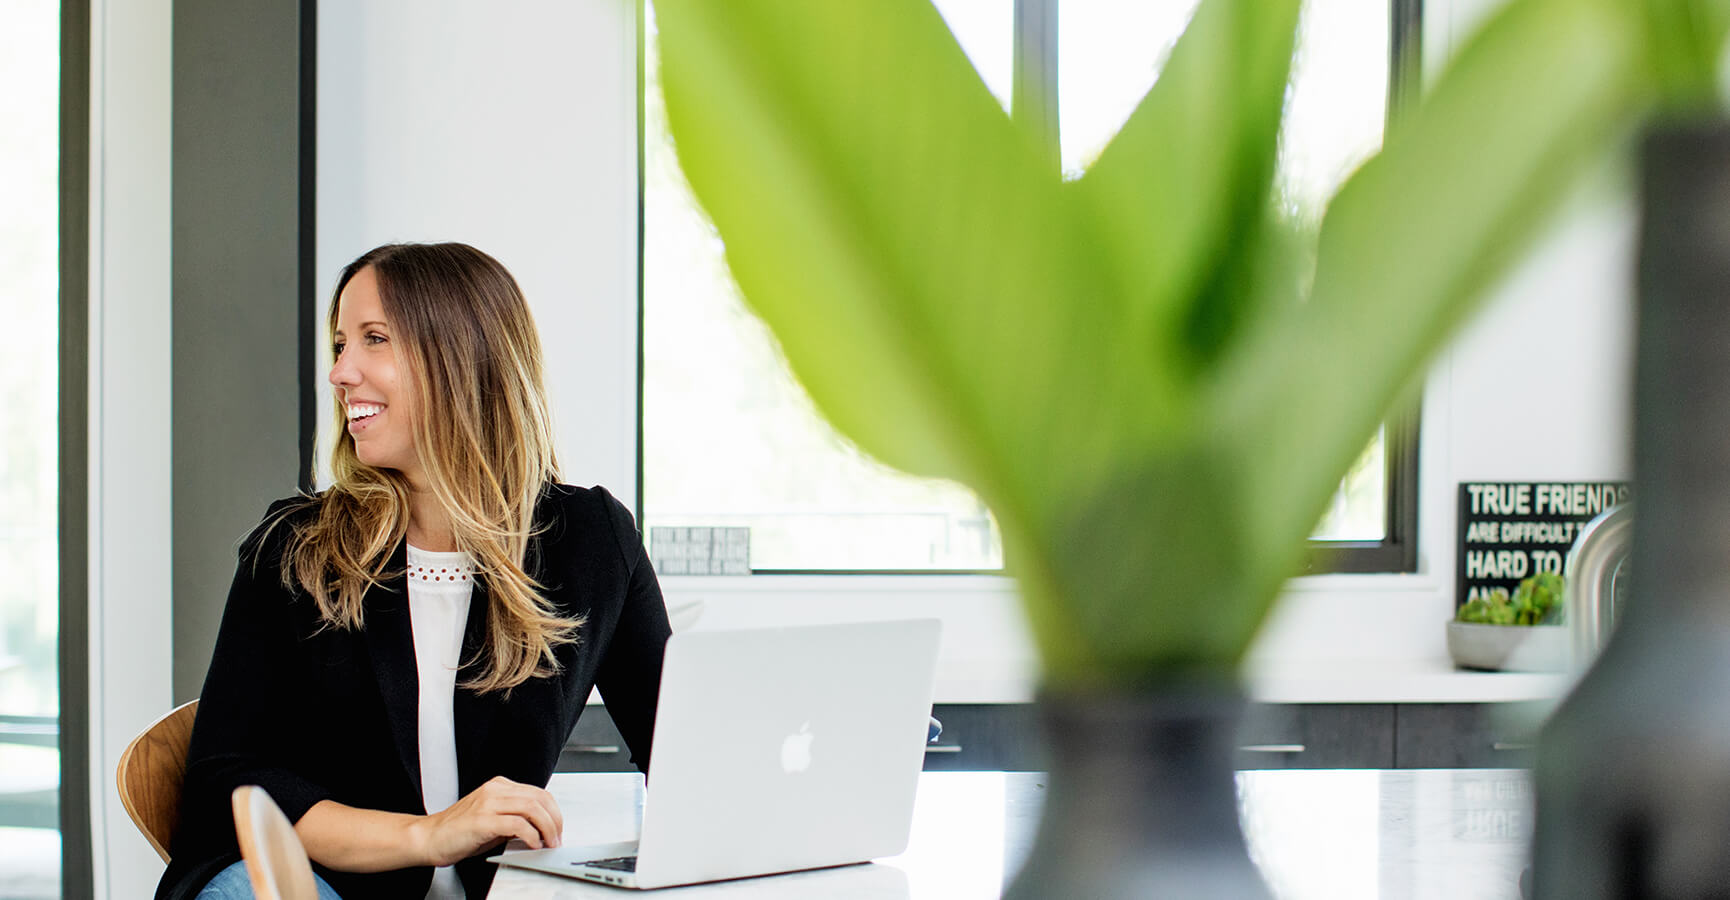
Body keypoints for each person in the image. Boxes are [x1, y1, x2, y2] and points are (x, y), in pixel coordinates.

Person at [156, 242, 671, 899]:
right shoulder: (296, 548)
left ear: (465, 358)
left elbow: (681, 754)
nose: (341, 372)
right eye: (341, 344)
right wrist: (428, 835)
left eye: (374, 339)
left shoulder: (590, 540)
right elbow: (224, 783)